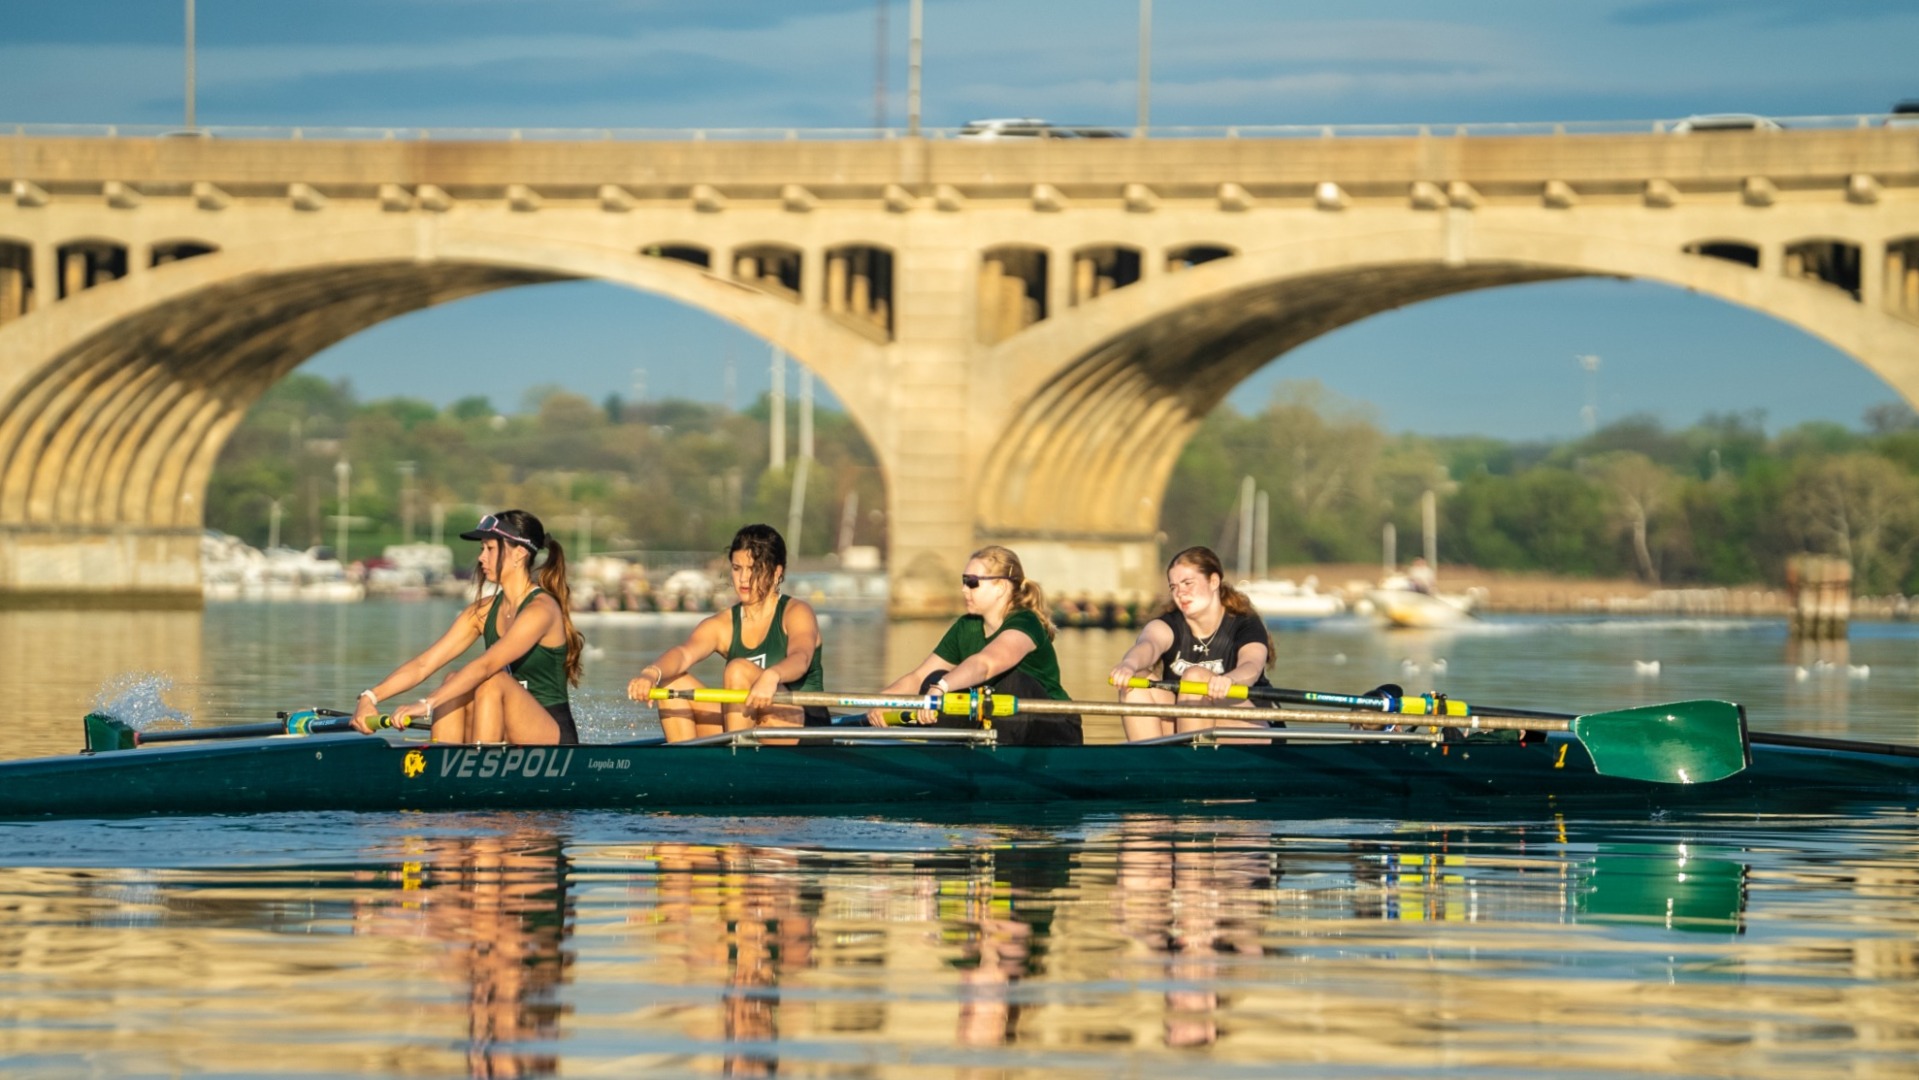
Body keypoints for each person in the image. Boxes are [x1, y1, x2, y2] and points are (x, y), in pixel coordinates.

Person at [352, 510, 583, 745]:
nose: (481, 557)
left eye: (490, 549)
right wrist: (369, 697)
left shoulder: (541, 609)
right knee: (453, 680)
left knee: (492, 680)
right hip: (502, 728)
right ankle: (443, 763)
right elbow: (424, 664)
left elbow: (486, 665)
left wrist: (427, 704)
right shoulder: (481, 613)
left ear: (519, 553)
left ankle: (477, 770)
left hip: (552, 735)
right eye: (482, 549)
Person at [625, 524, 825, 742]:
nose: (743, 579)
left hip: (802, 726)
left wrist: (772, 675)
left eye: (754, 569)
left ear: (777, 573)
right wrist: (651, 673)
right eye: (737, 568)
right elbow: (684, 654)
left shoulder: (796, 612)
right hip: (746, 723)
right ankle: (683, 767)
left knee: (737, 669)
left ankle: (735, 763)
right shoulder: (723, 624)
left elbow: (801, 657)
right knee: (671, 682)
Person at [866, 545, 1081, 746]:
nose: (963, 589)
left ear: (1001, 587)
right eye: (963, 581)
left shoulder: (1026, 623)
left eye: (972, 582)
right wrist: (883, 701)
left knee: (1009, 682)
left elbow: (985, 665)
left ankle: (989, 764)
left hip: (1056, 729)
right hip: (1001, 727)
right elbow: (919, 677)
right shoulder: (966, 626)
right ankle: (946, 756)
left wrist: (940, 688)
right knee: (934, 678)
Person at [1107, 546, 1279, 742]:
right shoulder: (1167, 625)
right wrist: (1128, 665)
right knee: (1134, 682)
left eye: (1188, 583)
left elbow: (1252, 666)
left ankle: (1188, 764)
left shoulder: (1245, 623)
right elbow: (1149, 645)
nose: (1180, 593)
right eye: (1174, 587)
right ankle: (1151, 764)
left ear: (1214, 581)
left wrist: (1231, 680)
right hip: (1190, 720)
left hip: (1254, 725)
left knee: (1195, 677)